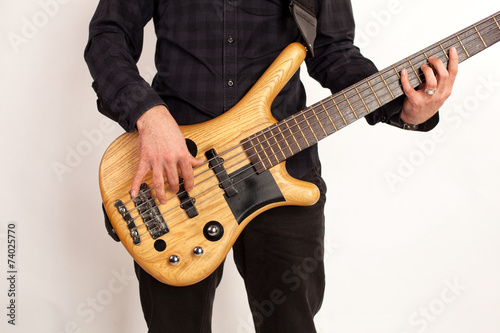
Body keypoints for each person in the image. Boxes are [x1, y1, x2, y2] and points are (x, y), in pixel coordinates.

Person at [84, 0, 458, 332]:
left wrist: (405, 110)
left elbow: (334, 52)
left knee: (290, 324)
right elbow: (108, 34)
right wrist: (148, 114)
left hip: (284, 167)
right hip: (178, 172)